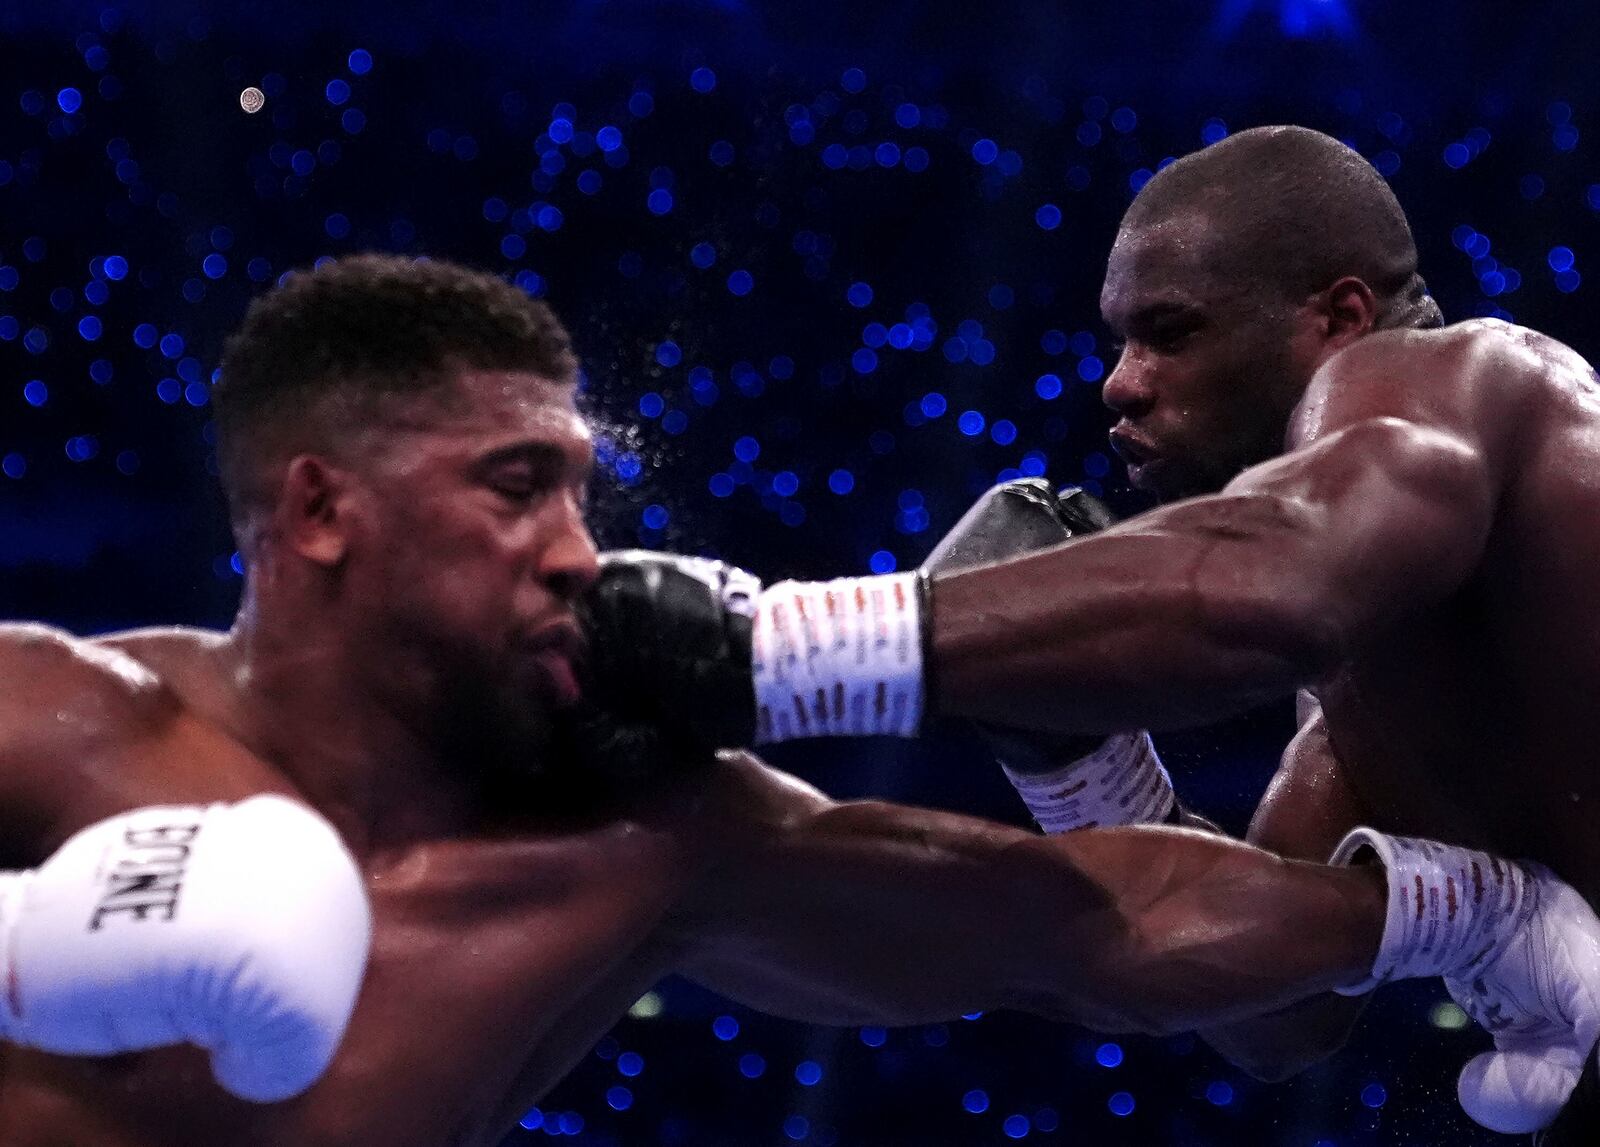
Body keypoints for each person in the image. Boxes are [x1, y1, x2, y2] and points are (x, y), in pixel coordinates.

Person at [0, 253, 1590, 1147]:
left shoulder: (651, 839)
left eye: (575, 491)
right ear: (323, 513)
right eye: (511, 490)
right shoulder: (58, 718)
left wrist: (1467, 910)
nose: (576, 551)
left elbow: (1099, 922)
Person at [580, 125, 1600, 1136]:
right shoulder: (1362, 696)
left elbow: (1280, 581)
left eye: (1171, 330)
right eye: (1119, 339)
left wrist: (774, 650)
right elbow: (1281, 1018)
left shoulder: (1459, 378)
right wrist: (1074, 755)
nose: (1120, 382)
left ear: (1336, 319)